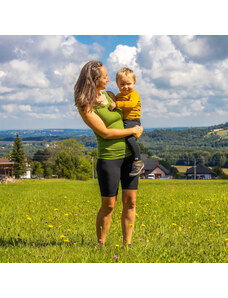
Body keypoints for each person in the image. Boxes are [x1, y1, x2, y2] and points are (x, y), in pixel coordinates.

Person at [74, 61, 143, 246]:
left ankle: (128, 244)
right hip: (109, 159)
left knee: (130, 202)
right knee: (109, 205)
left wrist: (137, 128)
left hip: (129, 156)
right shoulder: (86, 106)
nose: (108, 79)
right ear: (94, 80)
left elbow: (129, 115)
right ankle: (100, 245)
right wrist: (133, 131)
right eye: (105, 76)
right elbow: (105, 132)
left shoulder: (111, 95)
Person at [109, 67, 144, 177]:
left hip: (133, 120)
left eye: (129, 83)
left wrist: (117, 104)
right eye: (122, 84)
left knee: (129, 138)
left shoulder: (134, 94)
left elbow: (131, 105)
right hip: (124, 120)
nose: (126, 87)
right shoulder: (119, 96)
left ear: (134, 83)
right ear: (117, 84)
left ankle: (138, 161)